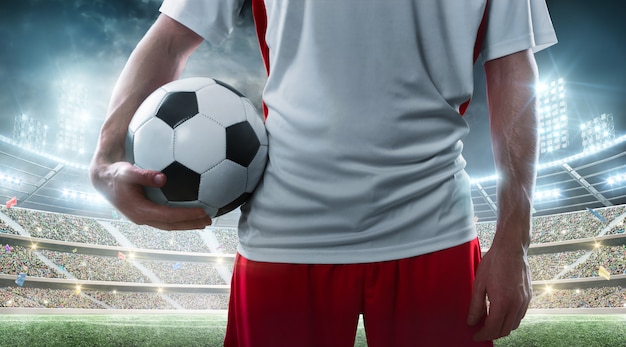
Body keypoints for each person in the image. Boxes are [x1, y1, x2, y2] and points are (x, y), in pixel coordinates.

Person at [90, 0, 557, 346]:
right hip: (286, 234)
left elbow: (513, 65)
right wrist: (106, 154)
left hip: (435, 231)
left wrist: (514, 239)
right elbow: (173, 34)